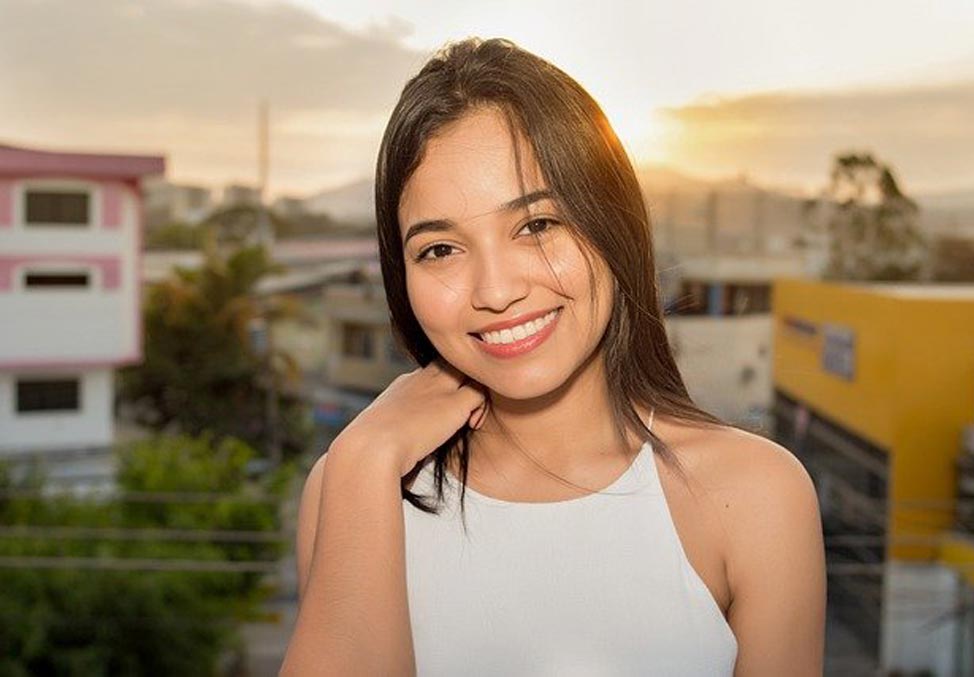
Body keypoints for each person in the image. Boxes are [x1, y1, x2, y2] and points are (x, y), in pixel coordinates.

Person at [282, 37, 825, 676]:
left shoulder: (756, 495)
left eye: (538, 225)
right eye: (439, 250)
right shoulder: (352, 487)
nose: (497, 290)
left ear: (612, 224)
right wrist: (367, 456)